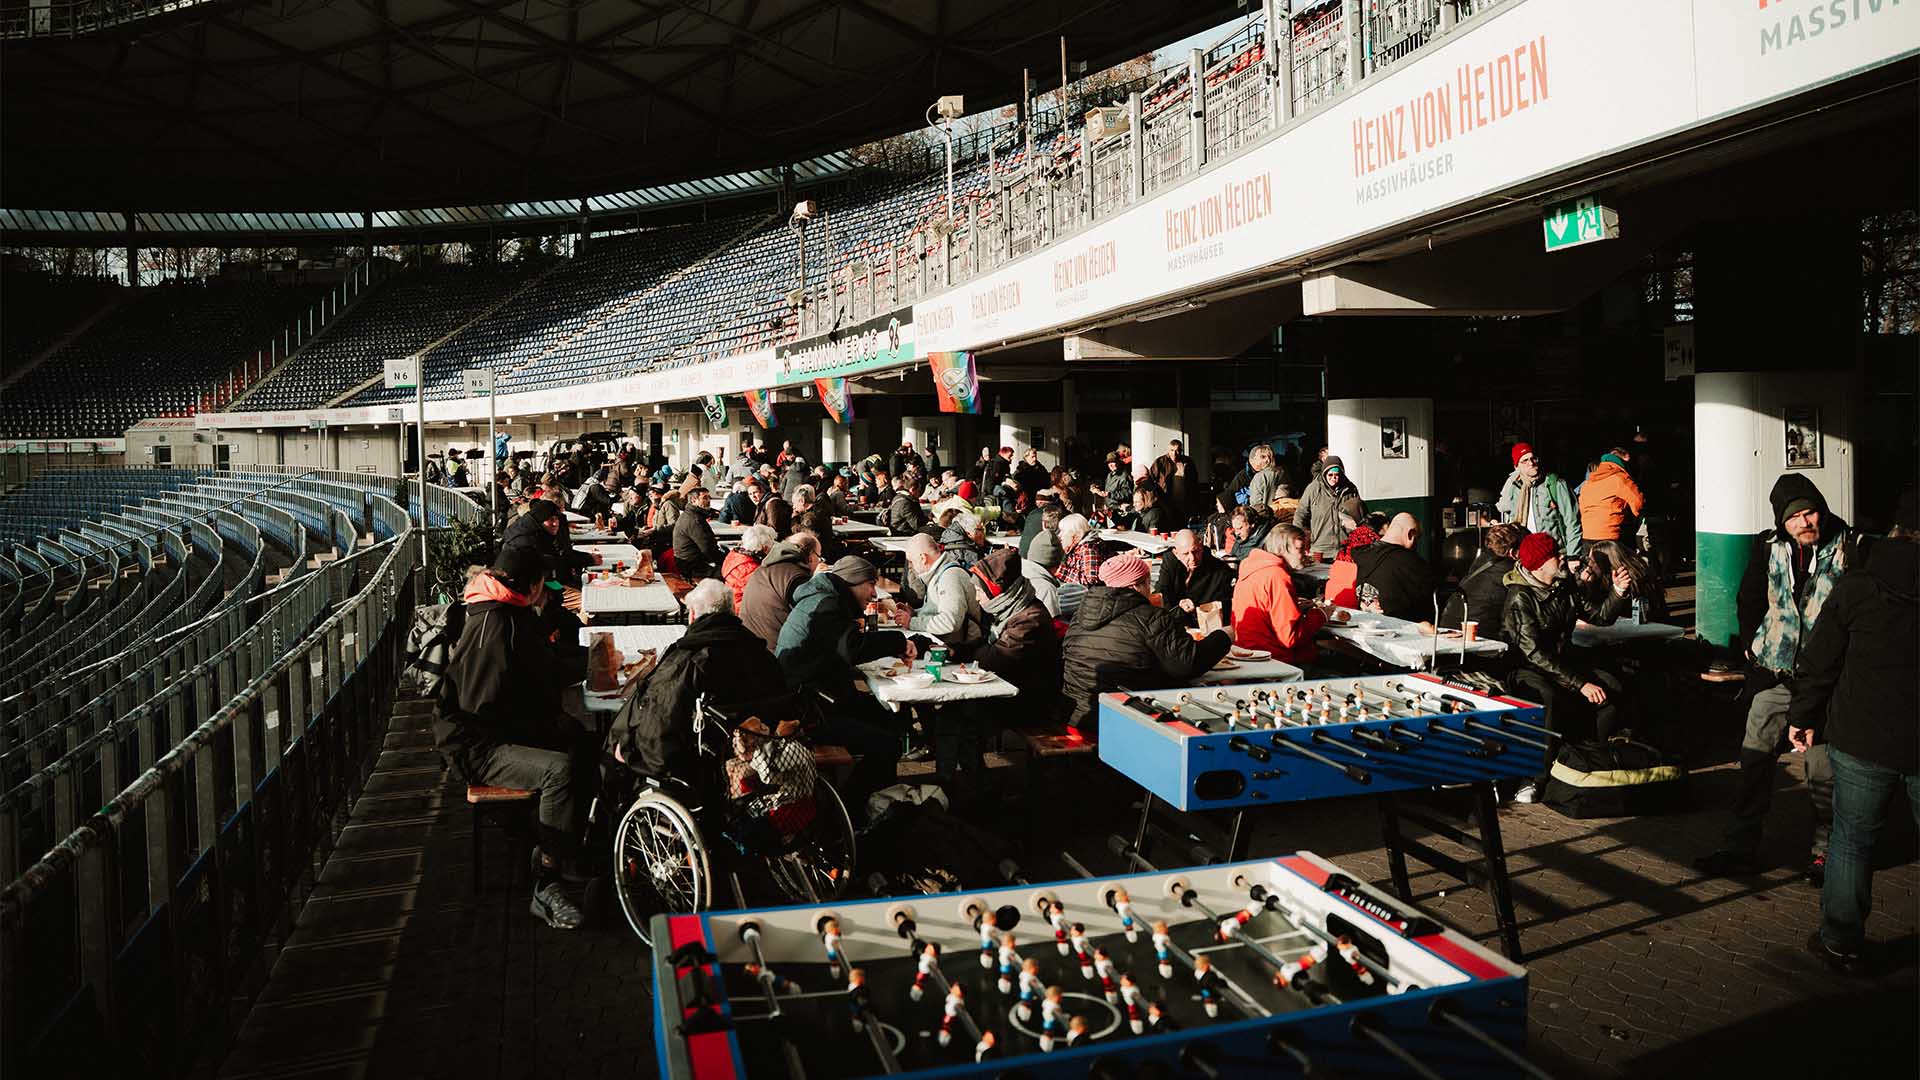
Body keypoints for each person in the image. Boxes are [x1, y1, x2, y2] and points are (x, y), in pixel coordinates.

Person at [1696, 475, 1856, 880]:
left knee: (1823, 773)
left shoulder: (1850, 548)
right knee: (1753, 760)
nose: (1805, 522)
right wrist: (1752, 645)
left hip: (1826, 682)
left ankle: (1827, 853)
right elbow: (1749, 597)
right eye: (1795, 517)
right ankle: (1740, 847)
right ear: (1781, 522)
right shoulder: (1769, 547)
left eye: (1810, 512)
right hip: (1776, 674)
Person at [433, 542, 591, 930]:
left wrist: (594, 658)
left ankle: (569, 848)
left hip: (499, 730)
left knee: (582, 739)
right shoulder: (495, 626)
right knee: (560, 770)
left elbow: (546, 665)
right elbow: (483, 708)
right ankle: (547, 882)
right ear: (533, 586)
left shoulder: (509, 612)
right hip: (478, 746)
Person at [1790, 529, 1916, 975]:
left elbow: (1821, 660)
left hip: (1863, 737)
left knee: (1852, 841)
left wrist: (1802, 715)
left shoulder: (1858, 586)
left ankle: (1841, 942)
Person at [605, 579, 790, 790]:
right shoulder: (762, 655)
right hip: (756, 750)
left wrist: (631, 754)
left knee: (613, 757)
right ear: (732, 612)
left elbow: (660, 727)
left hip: (698, 762)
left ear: (692, 614)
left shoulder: (687, 661)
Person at [1501, 532, 1633, 802]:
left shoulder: (1565, 586)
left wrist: (1618, 591)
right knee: (1547, 700)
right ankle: (1535, 777)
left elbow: (1598, 616)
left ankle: (1587, 757)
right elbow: (1533, 653)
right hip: (1529, 670)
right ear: (1539, 565)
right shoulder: (1520, 598)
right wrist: (1580, 684)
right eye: (1554, 555)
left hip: (1563, 664)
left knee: (1612, 687)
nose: (1562, 557)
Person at [775, 556, 912, 814]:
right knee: (885, 743)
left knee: (890, 717)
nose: (873, 593)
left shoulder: (824, 598)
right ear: (853, 582)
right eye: (870, 584)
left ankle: (880, 798)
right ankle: (851, 811)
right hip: (807, 710)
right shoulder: (827, 604)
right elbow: (852, 648)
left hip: (817, 696)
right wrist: (898, 642)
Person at [1060, 554, 1233, 734]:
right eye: (1148, 582)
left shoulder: (1081, 614)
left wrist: (1176, 616)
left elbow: (1134, 626)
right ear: (1136, 586)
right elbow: (1187, 664)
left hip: (1077, 714)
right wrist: (1223, 636)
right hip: (1125, 717)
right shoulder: (1151, 617)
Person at [958, 548, 1061, 702]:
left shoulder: (1030, 619)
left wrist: (966, 653)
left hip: (1025, 699)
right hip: (1006, 689)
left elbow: (996, 659)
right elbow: (988, 645)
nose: (976, 598)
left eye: (979, 591)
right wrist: (954, 650)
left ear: (996, 592)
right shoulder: (1008, 609)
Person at [1232, 524, 1346, 664]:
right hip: (1276, 660)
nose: (1306, 554)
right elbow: (1290, 637)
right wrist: (1321, 614)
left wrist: (1294, 606)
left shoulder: (1252, 569)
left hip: (1248, 653)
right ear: (1281, 549)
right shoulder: (1277, 576)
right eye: (1300, 548)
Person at [1442, 522, 1527, 636]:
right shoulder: (1511, 571)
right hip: (1479, 637)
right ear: (1513, 552)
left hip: (1448, 627)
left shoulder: (1482, 560)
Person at [1499, 443, 1582, 558]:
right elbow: (1509, 518)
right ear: (1516, 467)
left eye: (1533, 458)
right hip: (1527, 555)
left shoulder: (1555, 485)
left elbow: (1572, 522)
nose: (1531, 463)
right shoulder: (1514, 488)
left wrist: (1573, 555)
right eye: (1525, 461)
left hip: (1555, 555)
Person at [741, 530, 822, 648]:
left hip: (749, 644)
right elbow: (814, 620)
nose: (819, 561)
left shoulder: (763, 568)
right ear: (811, 556)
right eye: (819, 557)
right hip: (776, 654)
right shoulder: (797, 578)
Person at [1352, 513, 1437, 622]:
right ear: (1410, 535)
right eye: (1417, 538)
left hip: (1365, 625)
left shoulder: (1361, 554)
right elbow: (1433, 593)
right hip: (1401, 631)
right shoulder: (1409, 561)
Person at [904, 533, 983, 648]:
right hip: (945, 643)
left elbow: (950, 622)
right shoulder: (941, 573)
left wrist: (912, 622)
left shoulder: (950, 577)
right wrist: (915, 613)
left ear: (923, 558)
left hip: (959, 650)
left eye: (911, 561)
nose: (910, 566)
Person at [1158, 530, 1233, 626]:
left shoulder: (1220, 571)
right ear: (1176, 553)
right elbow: (1161, 593)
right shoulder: (1170, 563)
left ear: (1201, 547)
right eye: (1185, 554)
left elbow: (1223, 606)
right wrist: (1179, 609)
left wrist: (1195, 607)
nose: (1192, 558)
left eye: (1195, 551)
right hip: (1174, 622)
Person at [1294, 456, 1363, 557]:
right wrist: (1300, 539)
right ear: (1324, 474)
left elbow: (1359, 514)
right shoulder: (1313, 489)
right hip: (1320, 549)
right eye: (1330, 475)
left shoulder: (1350, 489)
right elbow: (1300, 514)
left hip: (1345, 547)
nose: (1334, 478)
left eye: (1337, 475)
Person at [1578, 447, 1646, 545]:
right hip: (1611, 536)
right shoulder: (1620, 478)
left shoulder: (1589, 482)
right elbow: (1638, 503)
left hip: (1588, 536)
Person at [672, 487, 724, 578]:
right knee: (731, 574)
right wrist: (727, 561)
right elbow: (708, 550)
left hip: (688, 563)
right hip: (693, 567)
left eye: (709, 498)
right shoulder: (695, 520)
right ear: (693, 500)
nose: (708, 501)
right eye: (704, 498)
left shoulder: (690, 514)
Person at [722, 524, 777, 609]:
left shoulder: (734, 556)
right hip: (743, 610)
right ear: (764, 548)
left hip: (733, 604)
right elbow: (763, 594)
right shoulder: (750, 568)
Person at [1147, 439, 1198, 526]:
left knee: (1182, 526)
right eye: (1172, 450)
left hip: (1184, 503)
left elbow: (1194, 481)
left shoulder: (1188, 462)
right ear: (1168, 450)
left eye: (1177, 451)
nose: (1174, 453)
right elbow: (1150, 480)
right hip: (1166, 502)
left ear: (1181, 451)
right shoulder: (1160, 462)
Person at [792, 484, 839, 561]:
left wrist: (794, 519)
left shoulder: (810, 518)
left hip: (819, 557)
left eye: (795, 503)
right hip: (825, 552)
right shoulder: (819, 510)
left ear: (802, 501)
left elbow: (804, 537)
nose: (794, 506)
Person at [1055, 514, 1103, 587]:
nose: (1059, 535)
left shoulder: (1088, 549)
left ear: (1077, 535)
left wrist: (1059, 570)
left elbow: (1090, 582)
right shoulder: (1075, 546)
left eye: (1063, 531)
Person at [1244, 444, 1284, 518]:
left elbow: (1256, 506)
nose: (1252, 462)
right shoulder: (1282, 472)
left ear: (1265, 458)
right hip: (1284, 516)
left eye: (1255, 459)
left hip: (1267, 519)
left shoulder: (1259, 477)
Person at [1097, 453, 1134, 518]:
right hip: (1109, 511)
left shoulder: (1124, 476)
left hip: (1120, 512)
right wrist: (1096, 487)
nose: (1110, 465)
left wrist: (1110, 494)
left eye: (1113, 462)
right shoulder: (1110, 475)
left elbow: (1127, 493)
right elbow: (1108, 488)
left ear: (1118, 462)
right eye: (1109, 463)